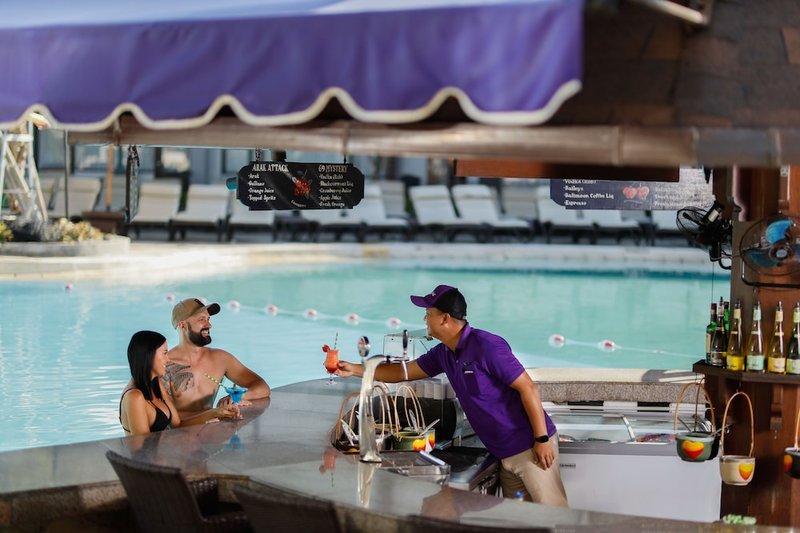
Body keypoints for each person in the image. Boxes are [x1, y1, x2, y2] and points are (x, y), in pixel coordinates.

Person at [336, 284, 568, 507]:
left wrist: (541, 439)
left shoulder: (487, 346)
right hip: (503, 453)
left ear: (444, 318)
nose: (425, 319)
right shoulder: (443, 353)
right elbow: (402, 372)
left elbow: (528, 388)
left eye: (428, 314)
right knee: (521, 521)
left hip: (529, 448)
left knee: (554, 517)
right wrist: (355, 369)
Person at [164, 298, 270, 420]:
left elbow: (263, 387)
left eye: (208, 319)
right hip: (179, 431)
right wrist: (214, 413)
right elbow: (163, 418)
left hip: (212, 428)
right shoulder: (165, 364)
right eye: (201, 319)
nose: (209, 325)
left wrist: (238, 397)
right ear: (182, 325)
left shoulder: (220, 359)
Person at [120, 330, 240, 435]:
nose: (168, 359)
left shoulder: (156, 385)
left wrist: (216, 413)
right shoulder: (134, 397)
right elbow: (141, 447)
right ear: (149, 356)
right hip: (151, 454)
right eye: (164, 353)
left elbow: (178, 425)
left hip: (164, 451)